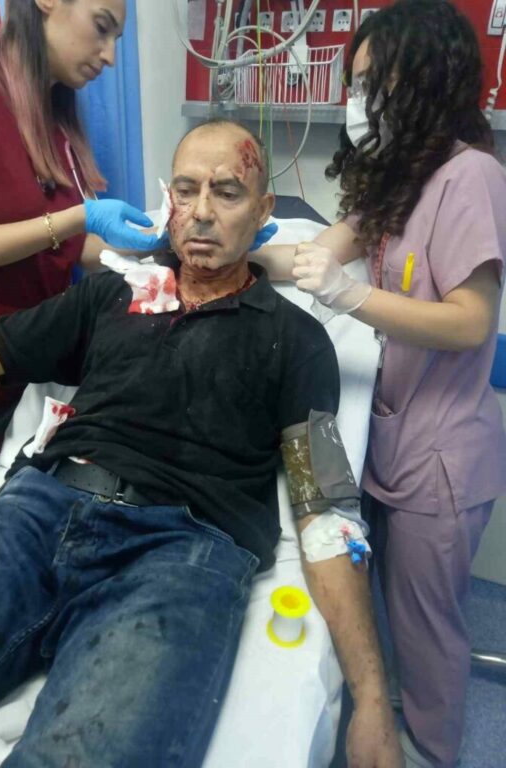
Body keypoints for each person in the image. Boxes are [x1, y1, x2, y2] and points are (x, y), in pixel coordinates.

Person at [0, 119, 402, 768]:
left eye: (227, 192)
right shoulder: (110, 295)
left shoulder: (296, 340)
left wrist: (370, 698)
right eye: (186, 189)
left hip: (180, 555)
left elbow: (324, 513)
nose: (202, 211)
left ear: (263, 211)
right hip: (36, 513)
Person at [258, 2, 506, 766]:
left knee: (428, 626)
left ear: (422, 79)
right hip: (393, 437)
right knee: (398, 608)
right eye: (353, 83)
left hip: (441, 456)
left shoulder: (470, 177)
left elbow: (471, 321)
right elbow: (311, 256)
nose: (355, 101)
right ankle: (400, 707)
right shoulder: (401, 177)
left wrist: (351, 295)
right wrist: (224, 245)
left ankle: (430, 748)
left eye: (370, 84)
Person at [0, 0, 167, 445]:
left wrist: (158, 240)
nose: (110, 56)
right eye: (101, 27)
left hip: (40, 369)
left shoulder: (57, 120)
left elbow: (70, 248)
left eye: (117, 39)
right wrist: (80, 217)